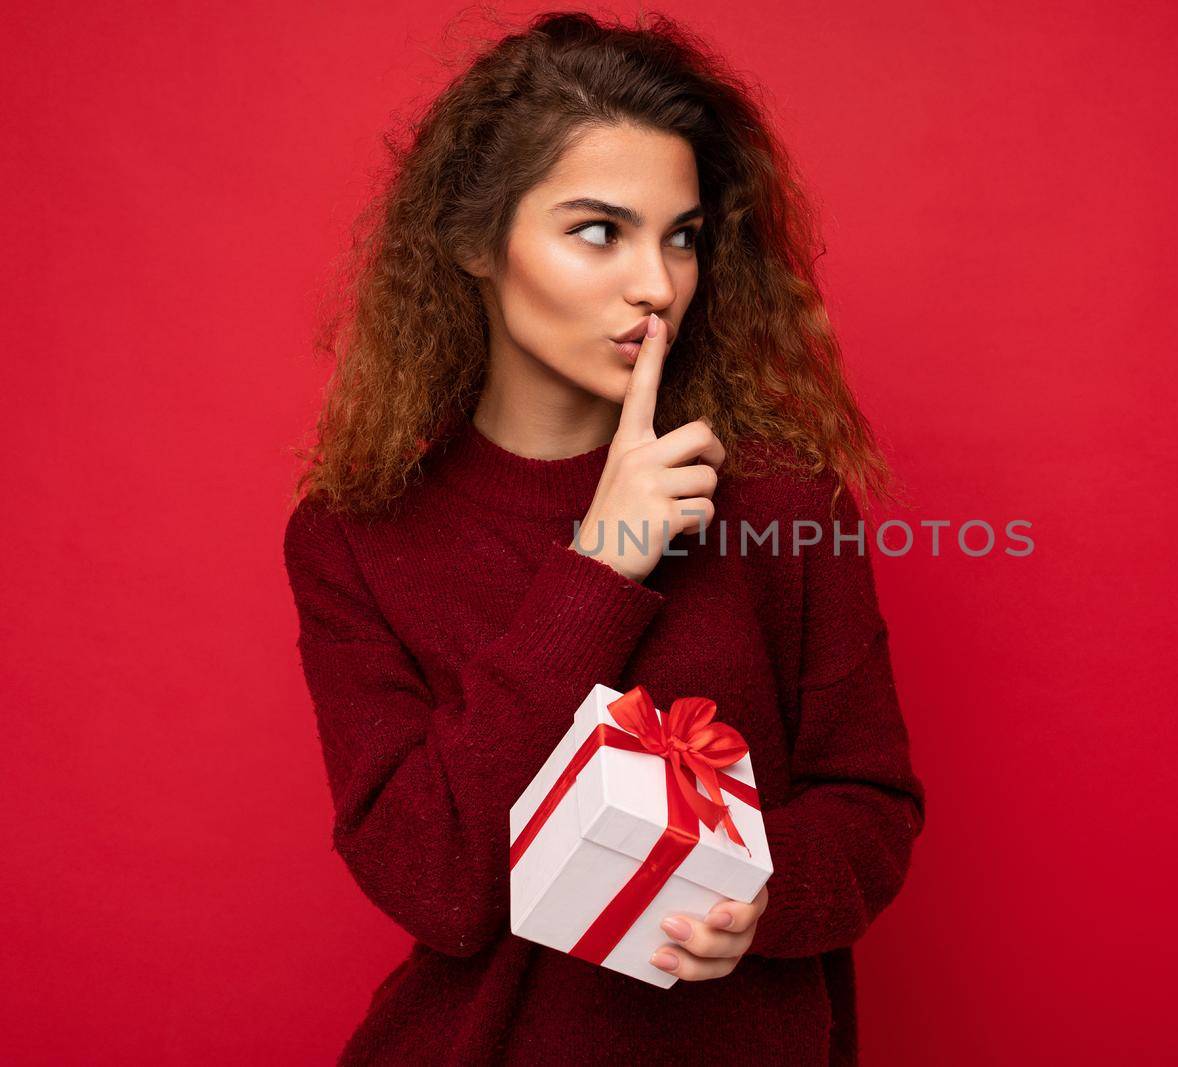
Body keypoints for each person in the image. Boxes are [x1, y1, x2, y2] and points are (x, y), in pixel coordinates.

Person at [282, 10, 925, 1065]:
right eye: (597, 230)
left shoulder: (778, 499)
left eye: (680, 236)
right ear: (473, 239)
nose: (655, 284)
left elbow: (871, 800)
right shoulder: (357, 536)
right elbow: (436, 883)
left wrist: (763, 892)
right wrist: (599, 566)